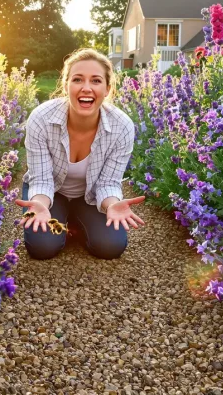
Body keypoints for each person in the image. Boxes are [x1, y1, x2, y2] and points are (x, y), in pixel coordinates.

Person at [14, 48, 146, 260]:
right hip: (49, 192)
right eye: (77, 80)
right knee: (42, 248)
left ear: (107, 88)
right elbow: (41, 178)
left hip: (91, 195)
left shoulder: (122, 126)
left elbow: (108, 183)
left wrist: (112, 205)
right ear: (66, 85)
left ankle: (76, 219)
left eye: (95, 81)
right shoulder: (41, 118)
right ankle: (63, 217)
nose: (86, 88)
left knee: (110, 247)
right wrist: (39, 203)